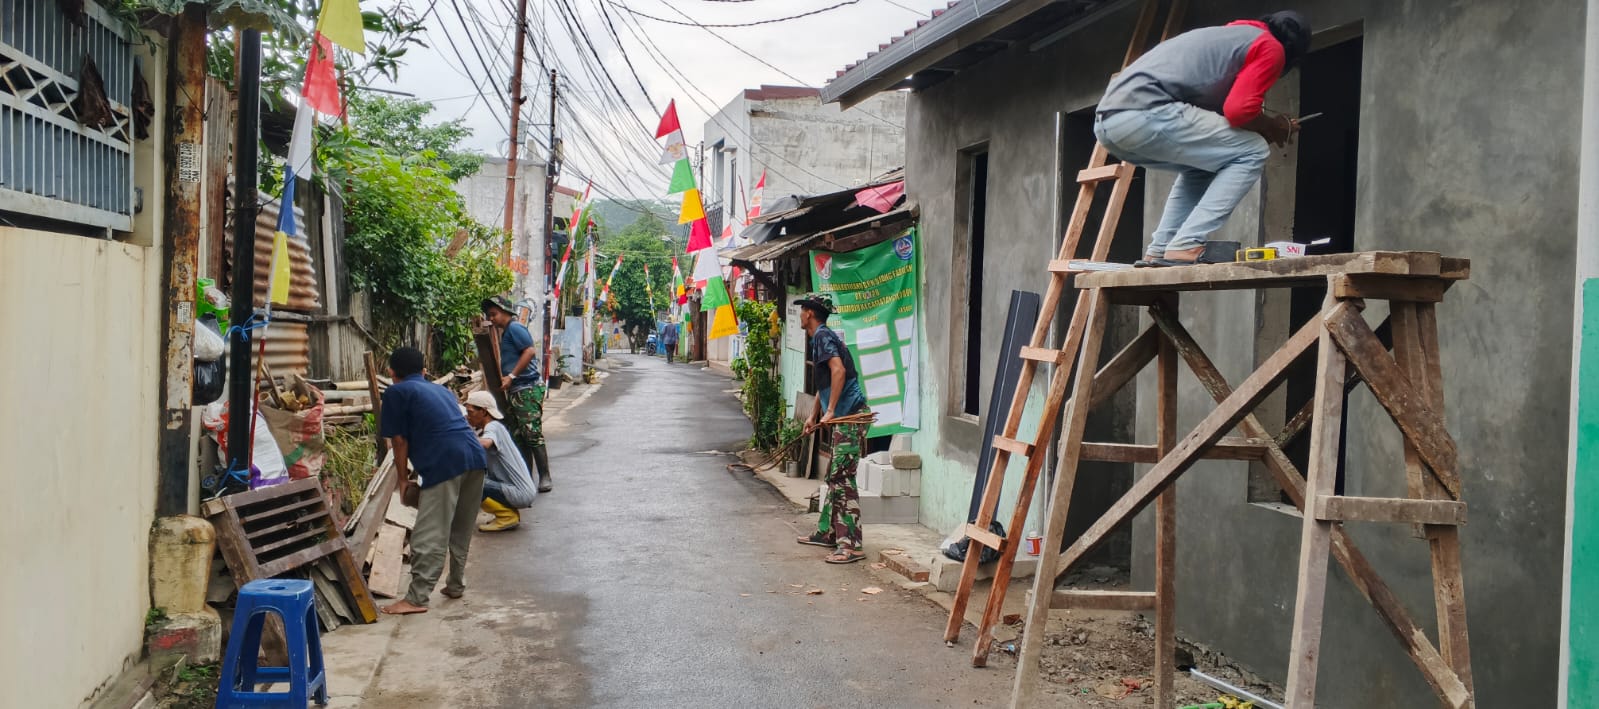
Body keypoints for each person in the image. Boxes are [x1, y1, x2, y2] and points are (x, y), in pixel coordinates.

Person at [1093, 11, 1312, 266]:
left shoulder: (1231, 39)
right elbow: (1239, 111)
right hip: (1146, 111)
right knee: (1254, 150)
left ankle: (1161, 248)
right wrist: (1272, 125)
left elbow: (1224, 120)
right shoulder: (1271, 47)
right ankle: (1187, 243)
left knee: (1202, 167)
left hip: (1109, 124)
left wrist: (1267, 125)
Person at [379, 347, 488, 615]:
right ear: (423, 371)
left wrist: (402, 479)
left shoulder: (396, 392)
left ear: (392, 372)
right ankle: (456, 584)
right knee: (461, 526)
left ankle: (416, 599)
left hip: (444, 462)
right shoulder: (442, 391)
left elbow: (399, 440)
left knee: (429, 533)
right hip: (475, 457)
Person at [791, 295, 871, 564]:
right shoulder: (820, 338)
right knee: (834, 475)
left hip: (851, 417)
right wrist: (814, 415)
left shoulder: (823, 336)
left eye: (803, 310)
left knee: (842, 477)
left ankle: (852, 545)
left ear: (810, 314)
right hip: (843, 417)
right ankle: (827, 533)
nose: (800, 314)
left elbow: (838, 372)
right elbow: (824, 385)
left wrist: (831, 411)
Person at [482, 295, 553, 493]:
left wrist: (511, 376)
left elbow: (529, 351)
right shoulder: (507, 331)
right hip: (517, 390)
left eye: (494, 314)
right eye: (489, 315)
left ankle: (545, 476)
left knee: (531, 433)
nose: (491, 319)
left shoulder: (515, 328)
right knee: (519, 436)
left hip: (527, 388)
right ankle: (526, 477)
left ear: (505, 311)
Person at [463, 390, 538, 532]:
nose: (468, 416)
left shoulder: (493, 427)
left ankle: (506, 516)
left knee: (471, 482)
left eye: (470, 412)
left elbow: (486, 443)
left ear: (483, 412)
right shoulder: (497, 427)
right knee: (475, 476)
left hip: (520, 494)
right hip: (520, 491)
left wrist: (459, 435)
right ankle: (507, 512)